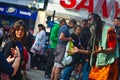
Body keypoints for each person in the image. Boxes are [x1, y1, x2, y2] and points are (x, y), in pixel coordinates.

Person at [67, 13, 119, 80]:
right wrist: (79, 50)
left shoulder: (109, 31)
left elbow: (112, 48)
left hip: (109, 64)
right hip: (98, 63)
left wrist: (103, 51)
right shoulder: (95, 33)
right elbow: (92, 51)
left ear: (97, 19)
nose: (88, 22)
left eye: (90, 20)